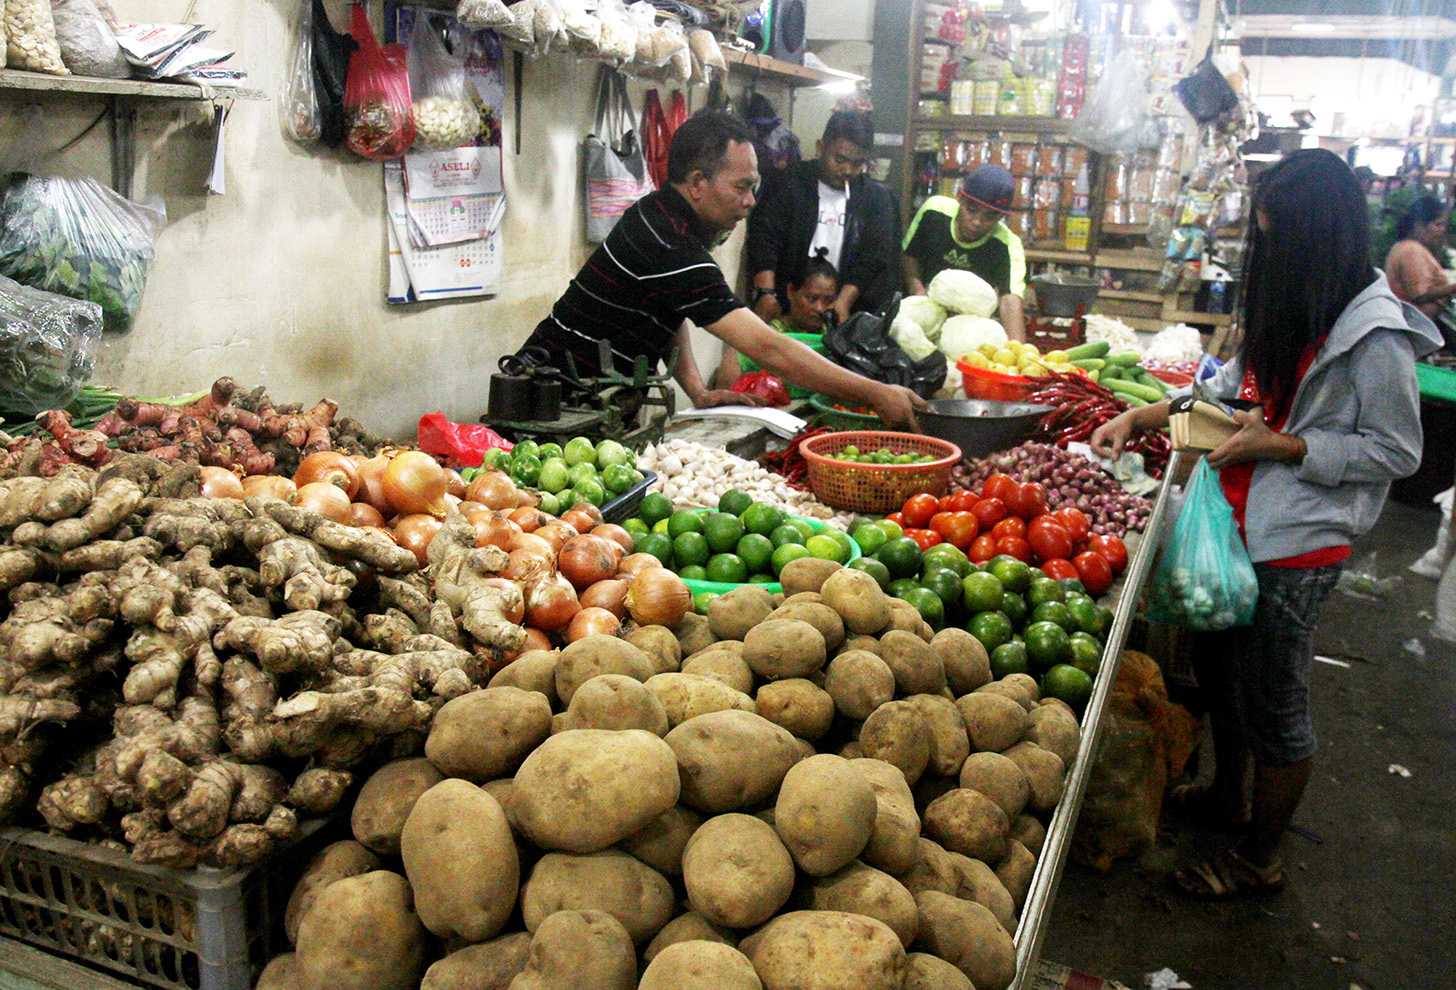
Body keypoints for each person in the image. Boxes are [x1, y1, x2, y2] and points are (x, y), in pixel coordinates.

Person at [1090, 149, 1441, 900]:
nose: (1268, 253)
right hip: (1237, 527)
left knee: (1275, 701)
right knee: (1221, 673)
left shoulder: (1374, 336)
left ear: (1320, 240)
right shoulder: (1292, 306)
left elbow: (1397, 450)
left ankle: (1259, 859)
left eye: (1279, 239)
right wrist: (1144, 412)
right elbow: (1224, 388)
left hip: (1301, 543)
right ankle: (1226, 795)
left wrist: (1284, 443)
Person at [516, 110, 922, 429]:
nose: (750, 201)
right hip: (548, 403)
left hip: (586, 401)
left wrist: (696, 390)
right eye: (741, 187)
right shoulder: (668, 242)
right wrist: (873, 392)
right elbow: (767, 347)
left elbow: (667, 307)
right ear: (696, 182)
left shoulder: (665, 219)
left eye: (754, 188)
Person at [744, 109, 898, 328]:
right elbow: (765, 238)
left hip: (845, 315)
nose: (847, 170)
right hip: (784, 310)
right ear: (820, 148)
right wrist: (766, 293)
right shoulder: (788, 183)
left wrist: (843, 302)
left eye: (857, 164)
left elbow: (874, 257)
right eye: (840, 159)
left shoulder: (876, 199)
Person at [902, 164, 1027, 341]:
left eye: (990, 216)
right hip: (917, 321)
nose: (977, 222)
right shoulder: (934, 212)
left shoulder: (1008, 244)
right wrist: (921, 298)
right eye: (972, 209)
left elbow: (1010, 302)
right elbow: (910, 256)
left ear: (1001, 217)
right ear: (960, 196)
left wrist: (1020, 356)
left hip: (964, 334)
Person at [714, 255, 839, 388]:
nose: (820, 308)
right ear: (790, 291)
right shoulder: (769, 334)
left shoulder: (833, 338)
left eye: (828, 301)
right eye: (811, 298)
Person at [1384, 194, 1456, 320]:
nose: (1441, 231)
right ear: (1419, 225)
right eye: (1438, 225)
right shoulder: (1411, 250)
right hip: (1413, 324)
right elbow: (1420, 295)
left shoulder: (1406, 246)